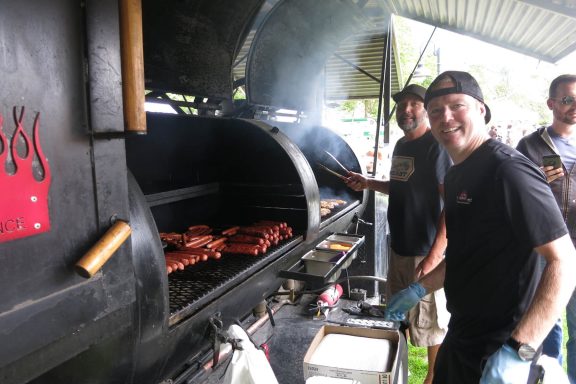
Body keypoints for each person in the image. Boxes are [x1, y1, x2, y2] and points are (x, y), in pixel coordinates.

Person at [384, 71, 576, 384]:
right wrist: (419, 288)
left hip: (502, 343)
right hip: (463, 334)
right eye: (436, 111)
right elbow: (464, 252)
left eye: (457, 105)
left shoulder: (509, 170)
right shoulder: (458, 174)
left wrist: (519, 350)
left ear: (481, 110)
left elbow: (564, 261)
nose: (446, 118)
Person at [345, 84, 452, 384]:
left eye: (414, 104)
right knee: (400, 315)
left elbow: (451, 205)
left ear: (426, 110)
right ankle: (398, 372)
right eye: (402, 104)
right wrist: (368, 183)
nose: (406, 109)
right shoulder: (402, 147)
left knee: (430, 323)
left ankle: (433, 378)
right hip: (400, 244)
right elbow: (400, 185)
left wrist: (434, 255)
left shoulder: (437, 146)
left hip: (425, 248)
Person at [516, 73, 576, 384]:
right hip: (544, 248)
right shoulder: (530, 145)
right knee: (547, 320)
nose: (574, 105)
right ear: (551, 103)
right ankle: (548, 376)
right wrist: (535, 178)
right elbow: (513, 192)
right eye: (567, 99)